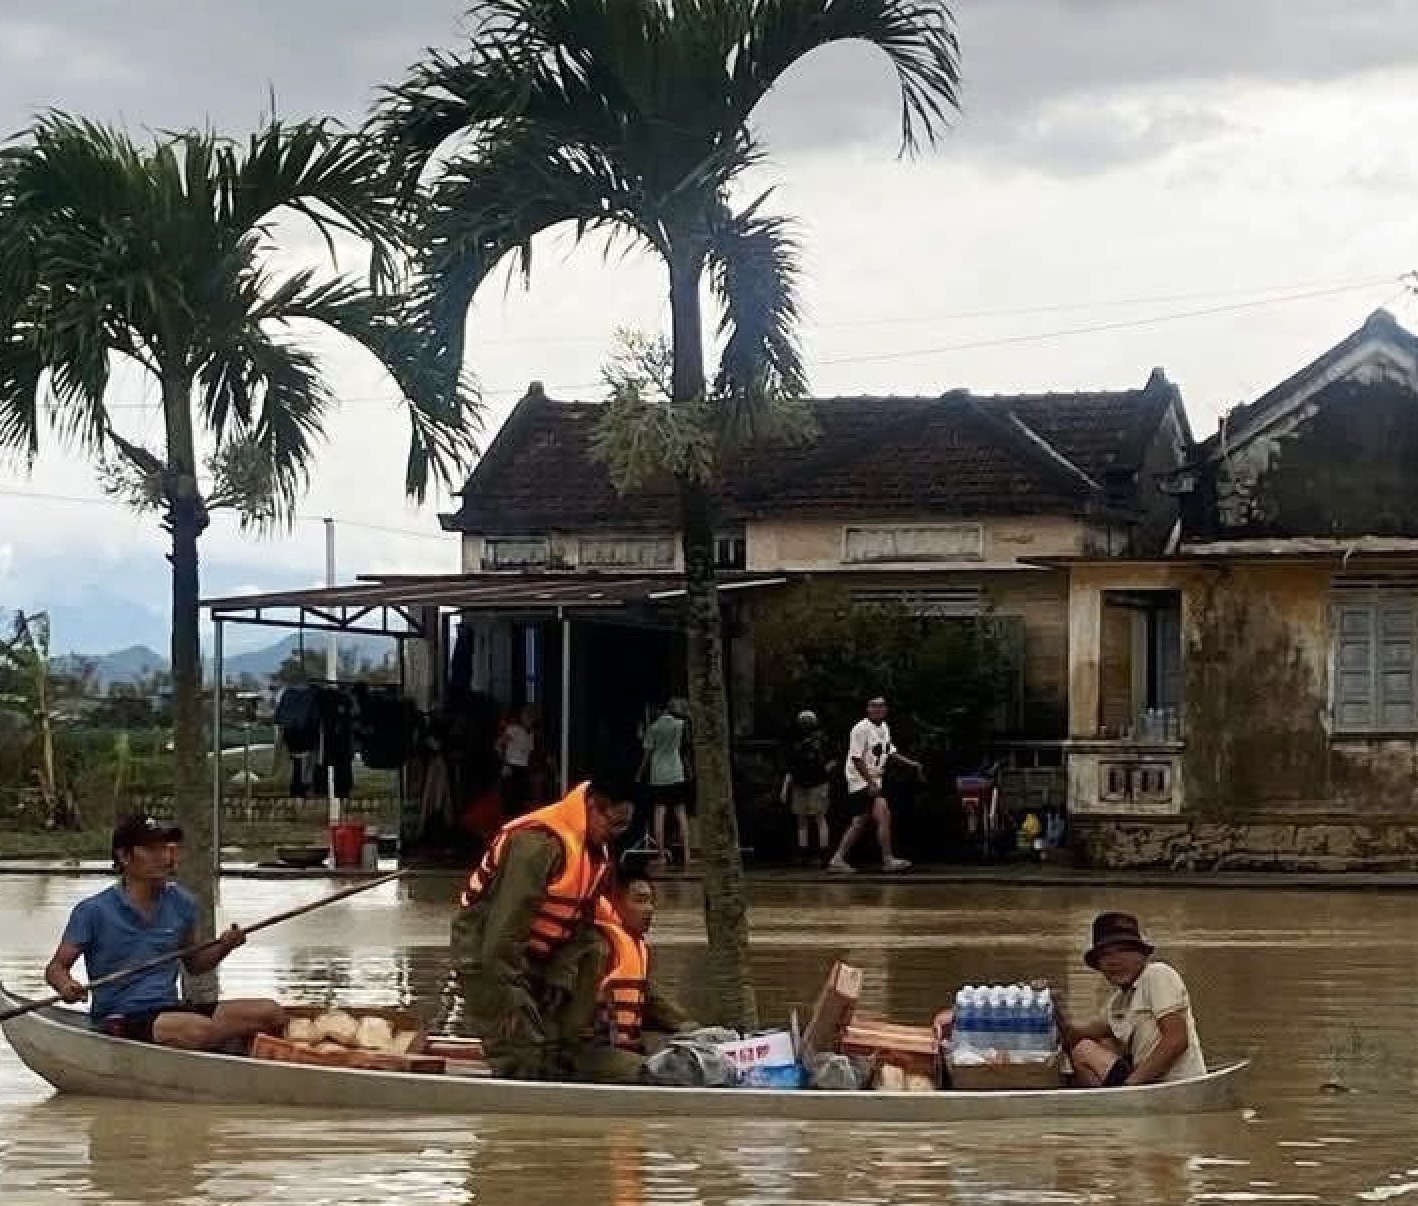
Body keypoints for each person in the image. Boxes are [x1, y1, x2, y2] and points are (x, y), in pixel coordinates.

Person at [449, 766, 636, 1080]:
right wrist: (515, 1000)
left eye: (623, 828)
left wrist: (558, 980)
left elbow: (581, 928)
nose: (615, 835)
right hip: (488, 957)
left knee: (560, 1046)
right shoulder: (537, 845)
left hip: (540, 958)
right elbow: (502, 935)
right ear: (593, 806)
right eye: (613, 824)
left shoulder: (595, 853)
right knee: (525, 1058)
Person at [43, 813, 285, 1050]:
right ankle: (214, 1043)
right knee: (199, 1030)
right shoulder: (93, 911)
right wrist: (66, 986)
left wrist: (225, 945)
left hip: (171, 1012)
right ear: (125, 856)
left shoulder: (182, 903)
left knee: (270, 1013)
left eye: (168, 848)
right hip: (121, 1017)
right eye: (153, 850)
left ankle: (217, 1044)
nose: (166, 857)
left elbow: (195, 964)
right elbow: (56, 968)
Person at [1058, 911, 1206, 1087]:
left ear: (1142, 955)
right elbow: (1084, 1032)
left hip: (1173, 1084)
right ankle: (1101, 1103)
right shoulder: (1118, 1002)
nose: (1114, 961)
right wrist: (1054, 1022)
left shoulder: (1157, 974)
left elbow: (1176, 1040)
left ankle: (1107, 1101)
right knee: (1096, 1043)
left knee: (1084, 1050)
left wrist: (1131, 1084)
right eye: (1105, 955)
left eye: (1123, 951)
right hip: (1147, 1084)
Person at [581, 869, 698, 1082]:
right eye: (640, 901)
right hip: (590, 1053)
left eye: (651, 902)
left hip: (623, 1050)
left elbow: (655, 1002)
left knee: (689, 1053)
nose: (649, 910)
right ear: (614, 902)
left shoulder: (637, 948)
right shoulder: (597, 946)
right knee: (667, 1071)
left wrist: (693, 1030)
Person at [828, 695, 922, 874]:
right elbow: (856, 758)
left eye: (881, 706)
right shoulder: (860, 729)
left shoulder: (884, 727)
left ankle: (839, 858)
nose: (878, 709)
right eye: (874, 706)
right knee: (875, 816)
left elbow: (889, 751)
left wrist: (911, 763)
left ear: (885, 709)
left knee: (864, 820)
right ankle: (884, 859)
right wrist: (870, 783)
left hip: (873, 781)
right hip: (860, 780)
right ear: (867, 709)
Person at [639, 698, 693, 868]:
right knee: (681, 814)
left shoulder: (653, 729)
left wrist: (639, 773)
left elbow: (647, 756)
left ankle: (661, 854)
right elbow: (686, 746)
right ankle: (687, 855)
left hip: (659, 775)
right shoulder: (680, 725)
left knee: (659, 815)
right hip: (677, 773)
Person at [780, 710, 835, 865]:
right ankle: (802, 851)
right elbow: (790, 765)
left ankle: (823, 853)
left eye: (808, 720)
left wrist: (823, 772)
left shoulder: (822, 738)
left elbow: (834, 759)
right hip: (799, 783)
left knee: (819, 816)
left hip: (818, 783)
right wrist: (785, 786)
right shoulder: (795, 740)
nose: (805, 723)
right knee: (801, 818)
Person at [497, 704, 538, 817]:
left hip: (523, 768)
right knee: (510, 800)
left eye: (532, 717)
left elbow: (529, 752)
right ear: (522, 716)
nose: (529, 719)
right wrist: (504, 763)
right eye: (527, 715)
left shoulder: (531, 733)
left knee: (521, 800)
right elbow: (499, 744)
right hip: (511, 766)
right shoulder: (513, 729)